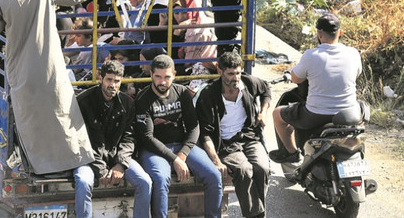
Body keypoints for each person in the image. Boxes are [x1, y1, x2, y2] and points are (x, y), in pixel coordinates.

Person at [0, 0, 98, 175]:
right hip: (51, 68)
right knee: (61, 114)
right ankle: (76, 160)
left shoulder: (3, 0)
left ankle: (38, 167)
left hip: (22, 72)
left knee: (30, 122)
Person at [135, 54, 222, 218]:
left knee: (214, 176)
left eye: (167, 77)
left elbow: (194, 127)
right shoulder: (143, 99)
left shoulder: (182, 93)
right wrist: (175, 160)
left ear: (174, 75)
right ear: (151, 75)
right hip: (153, 150)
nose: (162, 82)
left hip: (181, 146)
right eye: (158, 77)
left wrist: (182, 155)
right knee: (161, 179)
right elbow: (147, 137)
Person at [270, 13, 363, 164]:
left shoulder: (311, 55)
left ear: (319, 34)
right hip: (348, 113)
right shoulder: (353, 53)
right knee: (363, 110)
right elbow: (356, 75)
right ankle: (354, 141)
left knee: (277, 114)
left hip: (315, 114)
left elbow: (296, 78)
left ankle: (291, 153)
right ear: (340, 32)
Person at [196, 51, 271, 218]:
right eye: (230, 74)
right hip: (226, 143)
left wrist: (263, 113)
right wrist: (215, 160)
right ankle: (257, 215)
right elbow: (205, 133)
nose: (235, 78)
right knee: (244, 170)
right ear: (220, 72)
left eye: (237, 72)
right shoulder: (208, 95)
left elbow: (266, 89)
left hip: (248, 136)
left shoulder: (248, 83)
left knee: (263, 168)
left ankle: (256, 214)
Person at [75, 61, 152, 218]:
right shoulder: (83, 101)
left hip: (117, 157)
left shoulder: (128, 103)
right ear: (100, 78)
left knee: (145, 182)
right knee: (83, 182)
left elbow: (129, 137)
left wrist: (120, 164)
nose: (112, 85)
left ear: (121, 81)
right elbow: (79, 140)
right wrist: (100, 168)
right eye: (109, 80)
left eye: (116, 81)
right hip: (88, 159)